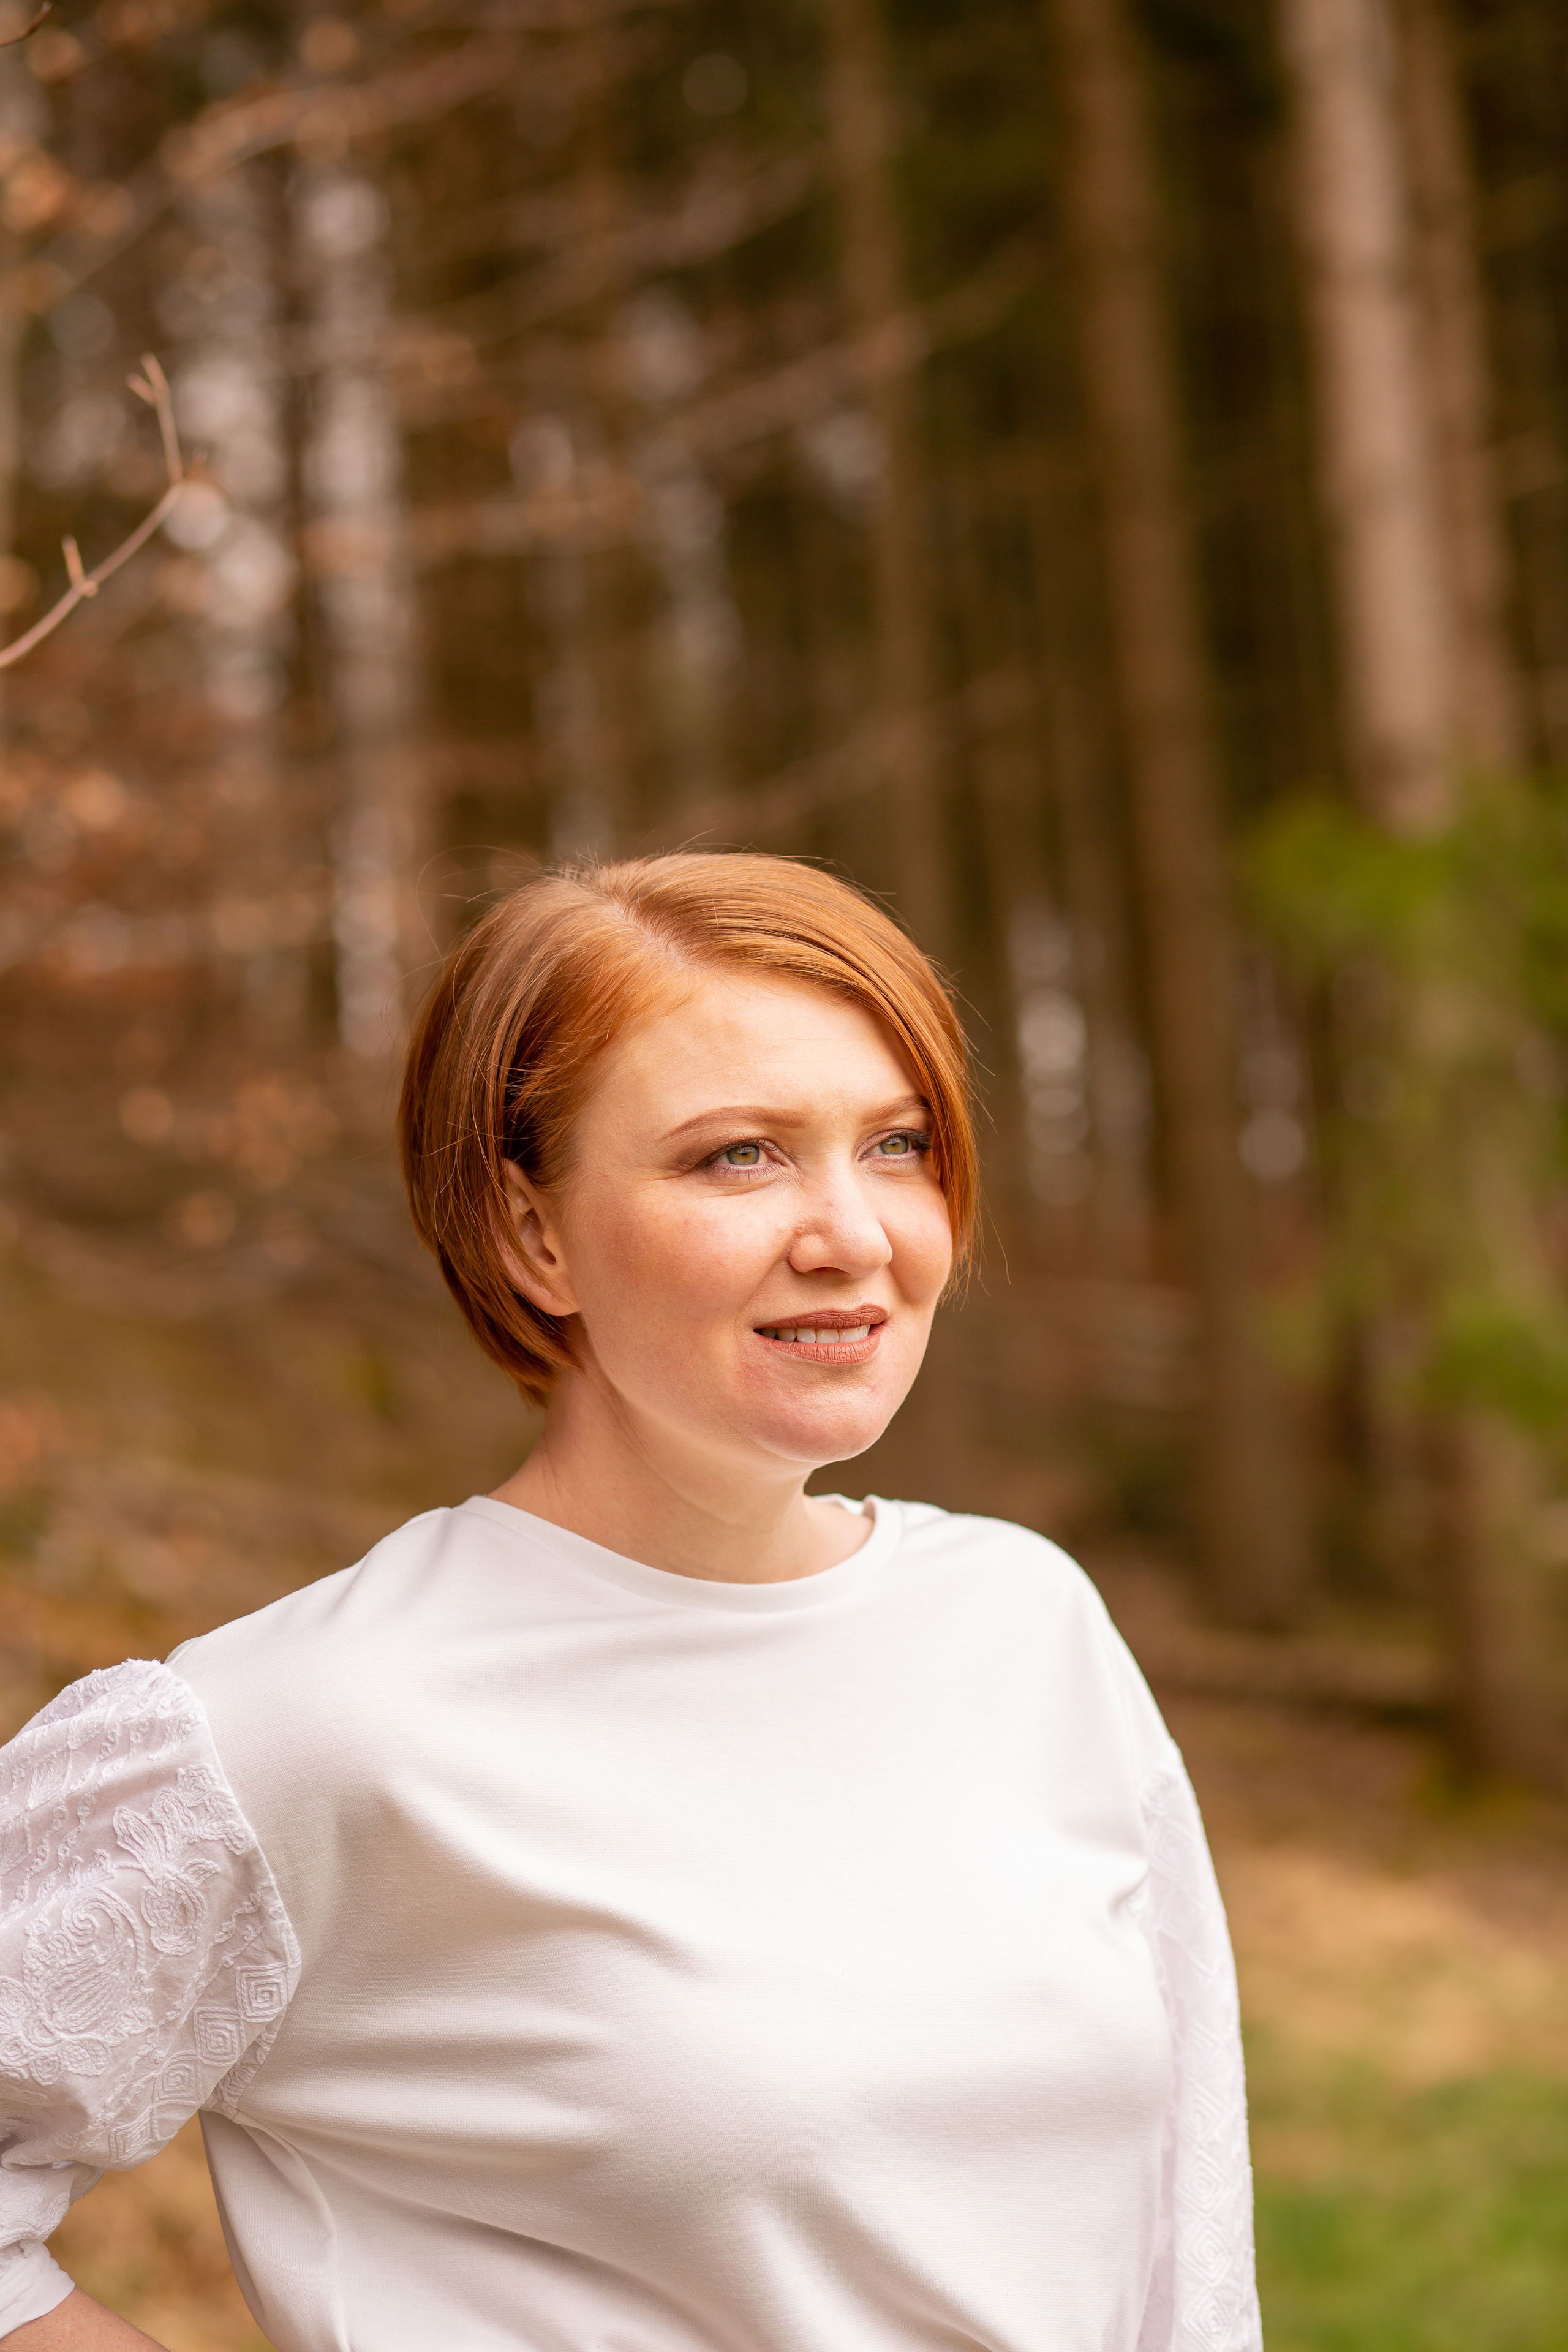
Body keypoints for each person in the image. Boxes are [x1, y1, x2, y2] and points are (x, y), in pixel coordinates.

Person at [0, 853, 1262, 2352]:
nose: (851, 1234)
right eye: (738, 1156)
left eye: (898, 1142)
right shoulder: (309, 1724)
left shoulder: (1025, 1620)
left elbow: (1187, 2234)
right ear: (531, 1233)